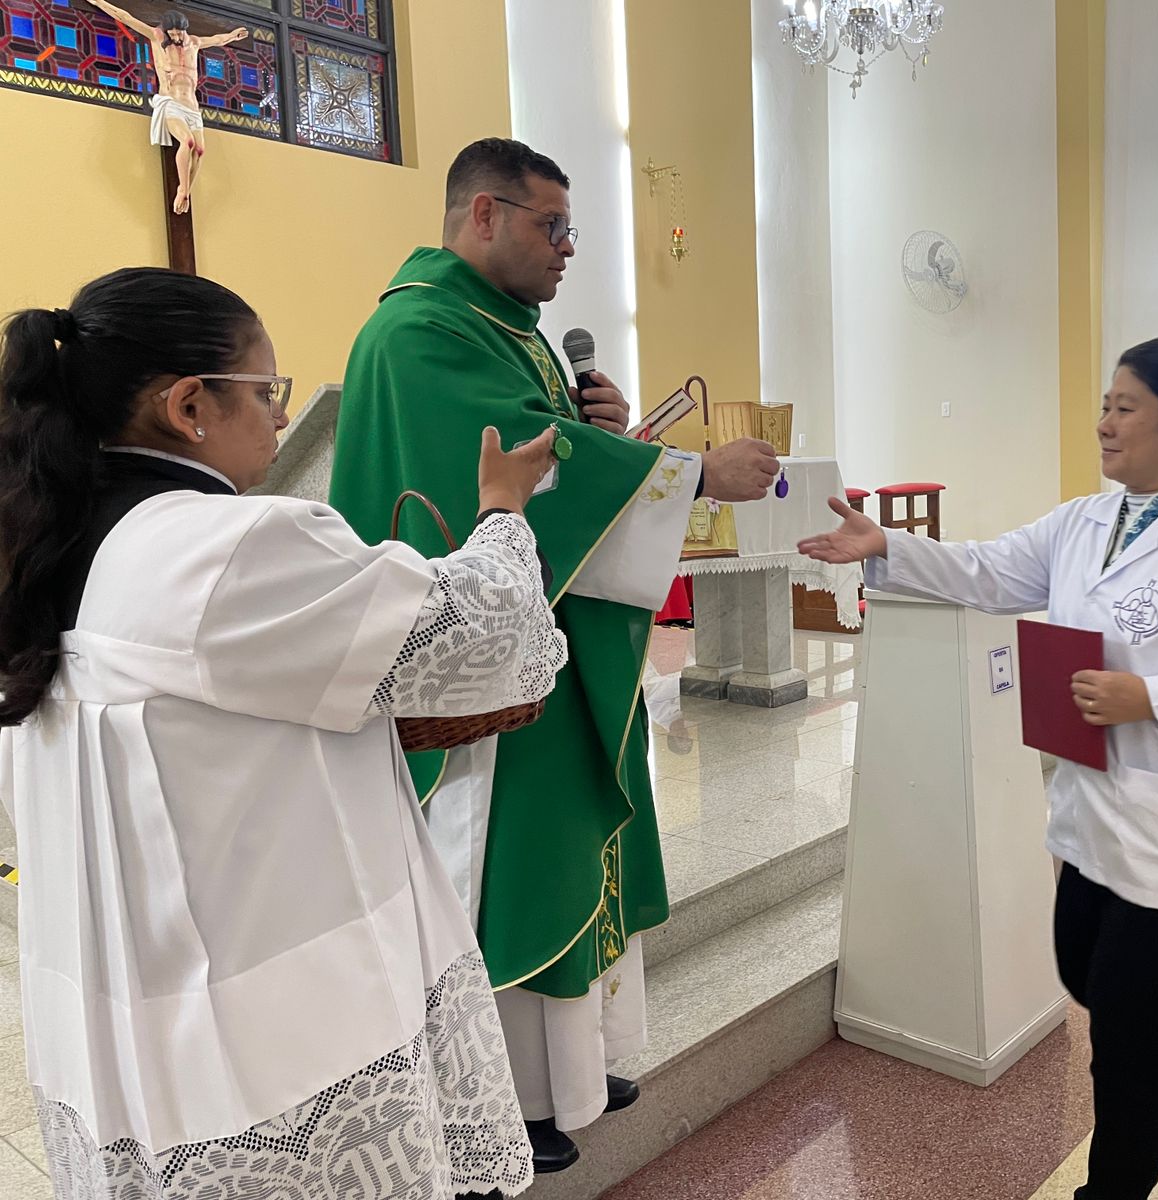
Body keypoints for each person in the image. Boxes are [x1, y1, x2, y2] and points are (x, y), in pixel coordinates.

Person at [0, 266, 573, 1199]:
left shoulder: (50, 538)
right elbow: (484, 635)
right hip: (273, 1013)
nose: (278, 415)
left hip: (124, 1006)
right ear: (189, 405)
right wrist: (503, 509)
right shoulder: (222, 547)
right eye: (266, 391)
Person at [329, 137, 781, 1177]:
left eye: (571, 228)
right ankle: (497, 1101)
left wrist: (599, 424)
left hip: (543, 639)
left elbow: (550, 447)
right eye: (552, 225)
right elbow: (518, 467)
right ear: (483, 214)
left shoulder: (507, 330)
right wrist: (688, 472)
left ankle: (571, 1071)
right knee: (504, 866)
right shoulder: (420, 332)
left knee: (565, 850)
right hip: (476, 675)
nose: (568, 247)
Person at [799, 336, 1158, 1200]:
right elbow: (990, 572)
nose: (1105, 423)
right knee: (1086, 974)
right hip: (1097, 806)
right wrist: (884, 545)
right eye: (1105, 405)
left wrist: (1151, 697)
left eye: (1126, 408)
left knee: (1125, 1039)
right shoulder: (1084, 521)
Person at [85, 4, 248, 214]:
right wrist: (98, 2)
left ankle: (186, 191)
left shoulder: (194, 43)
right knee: (187, 142)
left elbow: (218, 39)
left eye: (179, 32)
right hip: (171, 102)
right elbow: (125, 17)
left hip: (192, 107)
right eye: (172, 33)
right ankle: (182, 189)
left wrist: (233, 36)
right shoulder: (157, 37)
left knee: (200, 150)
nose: (176, 37)